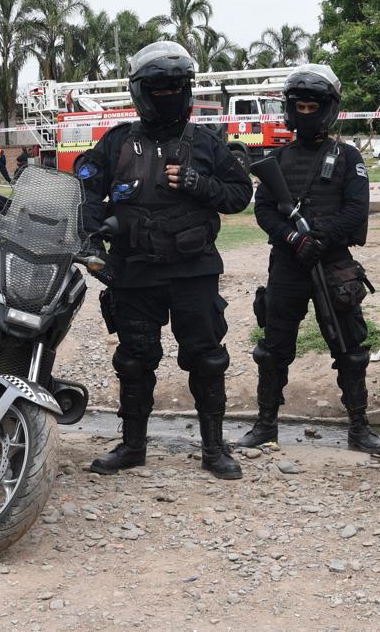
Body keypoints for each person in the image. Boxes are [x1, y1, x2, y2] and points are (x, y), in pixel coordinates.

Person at [76, 41, 253, 479]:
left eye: (176, 88)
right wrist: (92, 243)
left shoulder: (207, 143)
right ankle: (132, 447)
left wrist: (199, 184)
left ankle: (214, 449)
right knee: (134, 361)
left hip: (194, 270)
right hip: (134, 272)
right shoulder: (117, 141)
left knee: (207, 358)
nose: (169, 96)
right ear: (141, 91)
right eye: (159, 89)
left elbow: (239, 195)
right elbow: (86, 193)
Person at [237, 65, 380, 455]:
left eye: (312, 106)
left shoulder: (348, 156)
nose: (305, 112)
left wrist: (320, 237)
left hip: (334, 264)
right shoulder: (277, 159)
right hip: (288, 263)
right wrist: (294, 238)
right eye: (299, 106)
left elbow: (356, 209)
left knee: (350, 348)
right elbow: (263, 210)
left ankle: (359, 428)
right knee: (273, 348)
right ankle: (266, 426)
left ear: (327, 109)